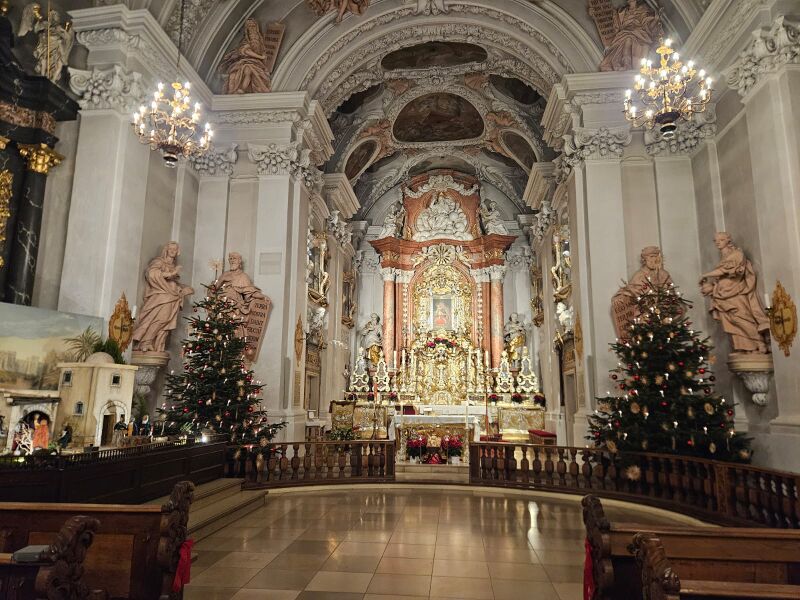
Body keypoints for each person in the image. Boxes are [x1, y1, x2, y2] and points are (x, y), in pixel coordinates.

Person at [700, 232, 770, 353]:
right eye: (716, 240)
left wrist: (705, 275)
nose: (718, 242)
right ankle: (747, 347)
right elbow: (722, 276)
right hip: (723, 294)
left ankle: (759, 341)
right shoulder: (724, 257)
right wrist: (711, 287)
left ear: (728, 240)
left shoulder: (736, 254)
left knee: (741, 318)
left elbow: (724, 270)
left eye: (721, 240)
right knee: (732, 321)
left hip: (735, 292)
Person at [132, 242, 194, 353]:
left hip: (172, 297)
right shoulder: (159, 262)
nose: (172, 251)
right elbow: (152, 273)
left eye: (175, 249)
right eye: (170, 249)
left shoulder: (172, 266)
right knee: (161, 319)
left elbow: (173, 283)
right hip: (161, 296)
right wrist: (172, 273)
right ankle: (145, 342)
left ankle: (157, 344)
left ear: (177, 252)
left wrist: (183, 289)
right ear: (166, 250)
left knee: (165, 322)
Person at [219, 18, 272, 94]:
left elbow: (264, 53)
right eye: (249, 26)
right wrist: (260, 57)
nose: (252, 28)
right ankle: (238, 90)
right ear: (247, 30)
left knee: (248, 70)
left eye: (253, 26)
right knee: (236, 74)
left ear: (256, 27)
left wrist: (262, 58)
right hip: (245, 61)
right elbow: (246, 51)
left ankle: (242, 88)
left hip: (256, 63)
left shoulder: (260, 42)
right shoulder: (245, 41)